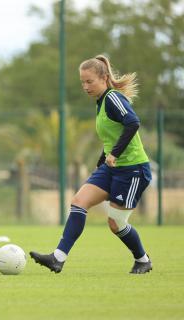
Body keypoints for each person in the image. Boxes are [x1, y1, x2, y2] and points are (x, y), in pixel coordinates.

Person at [30, 55, 152, 274]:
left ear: (104, 78)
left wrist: (114, 153)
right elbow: (110, 137)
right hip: (112, 168)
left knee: (116, 224)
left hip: (133, 170)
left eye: (90, 81)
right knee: (79, 201)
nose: (85, 86)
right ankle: (57, 258)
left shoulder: (113, 98)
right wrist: (102, 161)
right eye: (82, 82)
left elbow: (133, 122)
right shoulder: (101, 102)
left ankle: (142, 259)